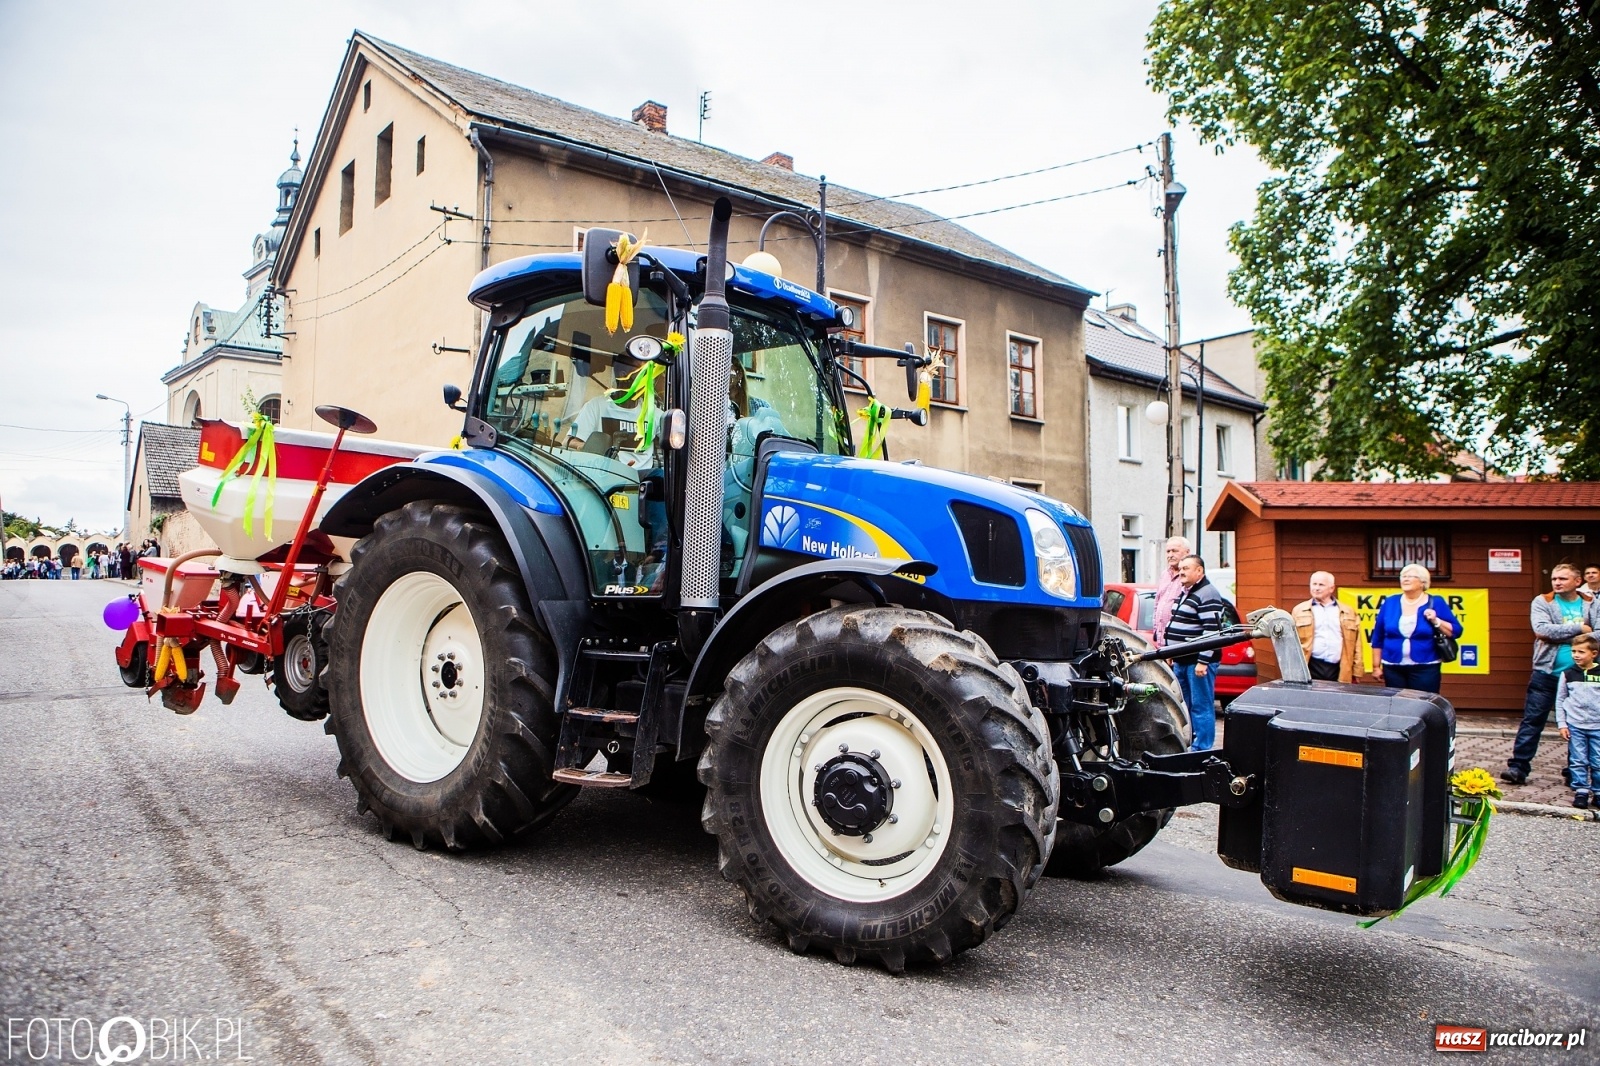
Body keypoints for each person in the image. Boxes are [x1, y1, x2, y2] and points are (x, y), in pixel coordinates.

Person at [1504, 563, 1600, 784]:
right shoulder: (1543, 601)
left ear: (1577, 582)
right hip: (1546, 672)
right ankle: (1518, 767)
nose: (1557, 582)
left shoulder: (1592, 603)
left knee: (1579, 723)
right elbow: (1542, 630)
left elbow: (1598, 635)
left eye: (1563, 579)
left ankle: (1573, 772)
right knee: (1533, 720)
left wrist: (1562, 635)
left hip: (1580, 676)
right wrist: (1580, 630)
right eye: (1555, 578)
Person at [1165, 554, 1226, 750]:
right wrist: (1171, 651)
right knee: (1185, 706)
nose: (1181, 572)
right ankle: (1190, 742)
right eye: (1180, 569)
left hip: (1197, 663)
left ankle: (1202, 748)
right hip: (1182, 660)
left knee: (1201, 707)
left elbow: (1212, 631)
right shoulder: (1186, 592)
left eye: (1186, 569)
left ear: (1199, 571)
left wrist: (1203, 661)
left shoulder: (1208, 593)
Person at [1370, 563, 1461, 694]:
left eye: (1410, 576)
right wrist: (1376, 667)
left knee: (1422, 704)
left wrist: (1436, 621)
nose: (1405, 579)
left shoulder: (1436, 602)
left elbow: (1456, 631)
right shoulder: (1390, 602)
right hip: (1393, 666)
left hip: (1425, 666)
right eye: (1403, 576)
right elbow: (1378, 637)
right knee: (1397, 706)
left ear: (1422, 582)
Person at [1292, 570, 1362, 682]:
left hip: (1339, 668)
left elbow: (1357, 643)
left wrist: (1357, 670)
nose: (1316, 588)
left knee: (1337, 698)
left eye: (1321, 585)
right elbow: (1292, 643)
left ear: (1331, 588)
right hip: (1310, 665)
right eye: (1314, 584)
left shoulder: (1348, 611)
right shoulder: (1299, 610)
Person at [1556, 633, 1600, 808]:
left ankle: (1598, 792)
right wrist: (1562, 724)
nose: (1576, 655)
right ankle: (1581, 790)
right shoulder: (1568, 674)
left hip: (1597, 725)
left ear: (1594, 654)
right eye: (1573, 651)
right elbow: (1560, 700)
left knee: (1597, 760)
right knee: (1578, 760)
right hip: (1576, 725)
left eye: (1581, 651)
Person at [1150, 536, 1192, 648]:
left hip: (1180, 642)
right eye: (1168, 551)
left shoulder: (1189, 576)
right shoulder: (1165, 574)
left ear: (1187, 552)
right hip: (1161, 640)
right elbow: (1157, 603)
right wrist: (1155, 630)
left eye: (1175, 551)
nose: (1170, 555)